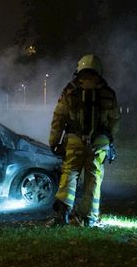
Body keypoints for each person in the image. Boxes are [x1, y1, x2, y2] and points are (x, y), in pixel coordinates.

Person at [48, 54, 120, 227]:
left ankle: (63, 213)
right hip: (99, 143)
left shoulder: (70, 90)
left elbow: (59, 117)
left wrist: (54, 141)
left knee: (70, 174)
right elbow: (115, 121)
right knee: (94, 178)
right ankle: (89, 217)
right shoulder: (108, 93)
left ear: (79, 68)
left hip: (74, 141)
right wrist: (109, 141)